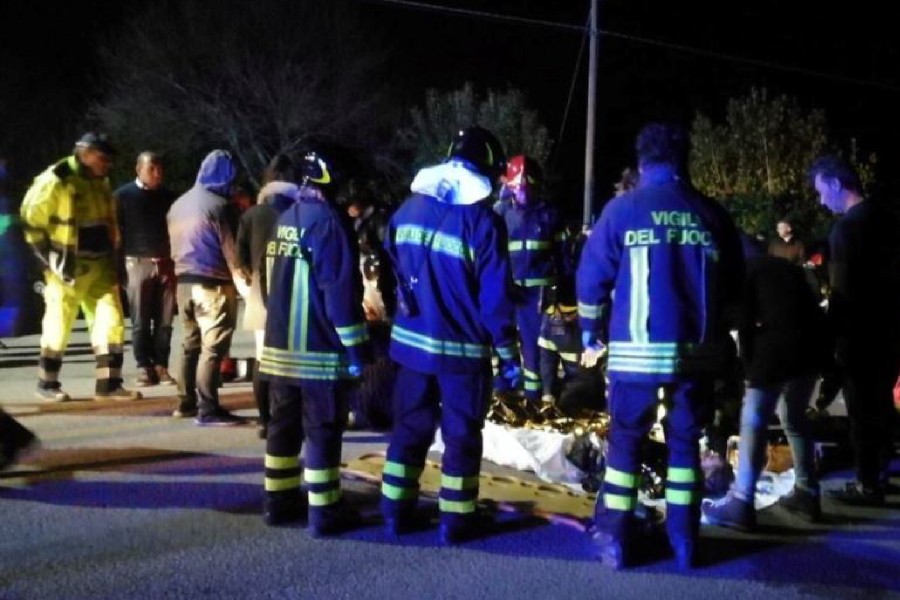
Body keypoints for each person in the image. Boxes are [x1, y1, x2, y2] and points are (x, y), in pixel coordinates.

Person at [577, 122, 744, 570]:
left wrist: (590, 331)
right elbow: (735, 285)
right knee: (685, 448)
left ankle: (614, 538)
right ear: (684, 159)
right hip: (697, 355)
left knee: (626, 444)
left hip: (635, 354)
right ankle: (685, 540)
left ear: (642, 163)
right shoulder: (711, 213)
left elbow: (592, 278)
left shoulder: (622, 210)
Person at [379, 126, 521, 545]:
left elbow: (391, 270)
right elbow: (495, 302)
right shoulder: (483, 222)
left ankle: (394, 511)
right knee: (460, 435)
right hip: (462, 354)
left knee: (408, 428)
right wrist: (509, 355)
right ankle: (457, 520)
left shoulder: (407, 209)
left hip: (410, 349)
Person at [258, 151, 370, 536]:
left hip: (278, 352)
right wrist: (357, 352)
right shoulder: (329, 224)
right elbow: (339, 294)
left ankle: (278, 502)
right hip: (318, 354)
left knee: (282, 429)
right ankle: (324, 510)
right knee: (322, 429)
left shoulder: (285, 219)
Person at [701, 237, 830, 530]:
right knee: (794, 418)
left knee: (754, 420)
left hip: (773, 352)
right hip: (810, 351)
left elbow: (743, 318)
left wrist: (746, 365)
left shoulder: (746, 271)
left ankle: (742, 502)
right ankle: (807, 492)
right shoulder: (788, 269)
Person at [19, 133, 142, 402]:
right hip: (67, 269)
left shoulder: (100, 180)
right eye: (103, 158)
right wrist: (48, 263)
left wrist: (116, 262)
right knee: (58, 324)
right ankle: (47, 383)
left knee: (111, 323)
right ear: (84, 154)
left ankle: (109, 384)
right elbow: (31, 222)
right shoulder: (55, 180)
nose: (108, 164)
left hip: (101, 265)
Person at [810, 155, 900, 505]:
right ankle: (879, 472)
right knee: (881, 406)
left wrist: (832, 337)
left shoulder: (846, 229)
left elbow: (843, 291)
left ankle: (867, 484)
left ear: (835, 184)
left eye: (821, 192)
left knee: (862, 410)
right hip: (890, 328)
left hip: (860, 332)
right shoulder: (887, 218)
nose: (821, 200)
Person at [167, 149, 247, 426]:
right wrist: (244, 284)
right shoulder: (219, 206)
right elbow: (232, 252)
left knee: (189, 345)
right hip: (212, 284)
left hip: (184, 283)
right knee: (212, 349)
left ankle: (184, 401)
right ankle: (208, 408)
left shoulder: (178, 205)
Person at [493, 155, 568, 406]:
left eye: (528, 184)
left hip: (537, 296)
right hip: (506, 291)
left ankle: (534, 402)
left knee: (533, 352)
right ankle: (500, 399)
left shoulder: (550, 216)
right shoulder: (499, 214)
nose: (523, 189)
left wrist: (564, 295)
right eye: (518, 184)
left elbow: (564, 260)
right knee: (500, 345)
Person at [236, 153, 298, 439]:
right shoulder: (297, 212)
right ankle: (289, 417)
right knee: (291, 359)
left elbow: (240, 260)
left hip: (260, 294)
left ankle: (264, 419)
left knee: (262, 357)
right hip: (293, 294)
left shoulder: (251, 215)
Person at [114, 152, 178, 387]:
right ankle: (143, 366)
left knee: (165, 319)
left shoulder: (169, 197)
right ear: (138, 169)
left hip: (166, 262)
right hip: (137, 262)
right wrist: (118, 266)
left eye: (160, 169)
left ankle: (162, 366)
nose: (157, 173)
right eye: (152, 168)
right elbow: (116, 234)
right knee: (140, 319)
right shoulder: (123, 196)